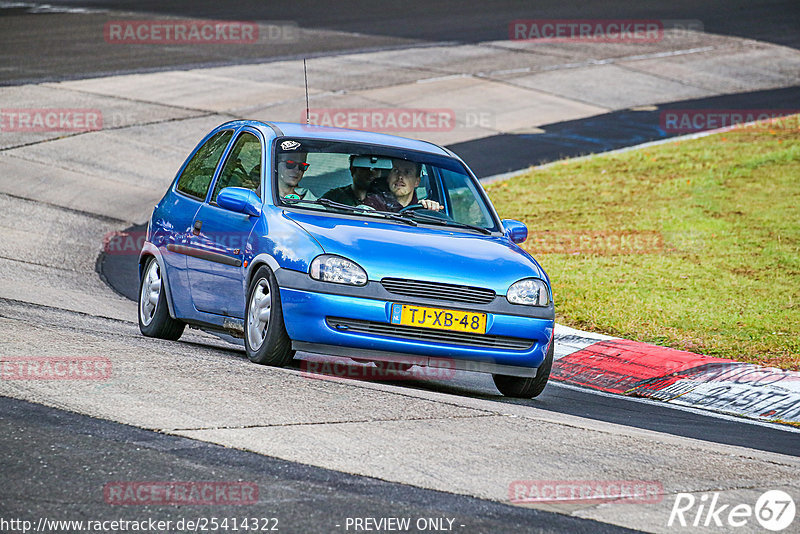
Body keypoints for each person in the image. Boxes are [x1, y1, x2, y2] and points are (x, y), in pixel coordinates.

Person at [362, 158, 441, 212]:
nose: (400, 177)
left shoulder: (423, 210)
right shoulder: (372, 205)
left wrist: (431, 208)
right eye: (396, 171)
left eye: (407, 172)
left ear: (417, 181)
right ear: (388, 178)